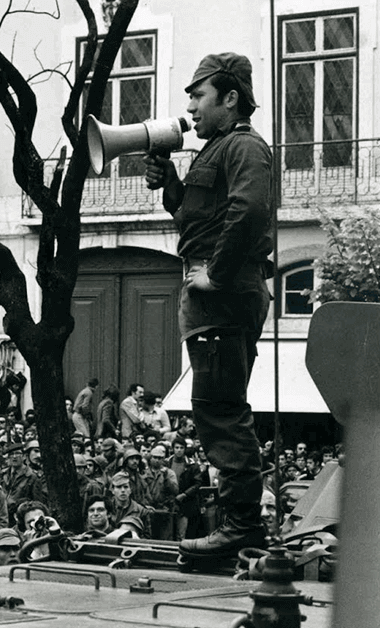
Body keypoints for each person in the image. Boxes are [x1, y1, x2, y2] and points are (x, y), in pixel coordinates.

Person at [144, 52, 272, 557]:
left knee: (220, 409)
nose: (191, 106)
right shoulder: (219, 149)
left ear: (230, 98)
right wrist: (171, 186)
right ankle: (240, 523)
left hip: (223, 298)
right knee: (215, 407)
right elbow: (201, 216)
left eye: (199, 95)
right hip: (215, 301)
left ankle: (241, 526)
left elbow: (250, 209)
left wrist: (215, 274)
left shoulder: (243, 147)